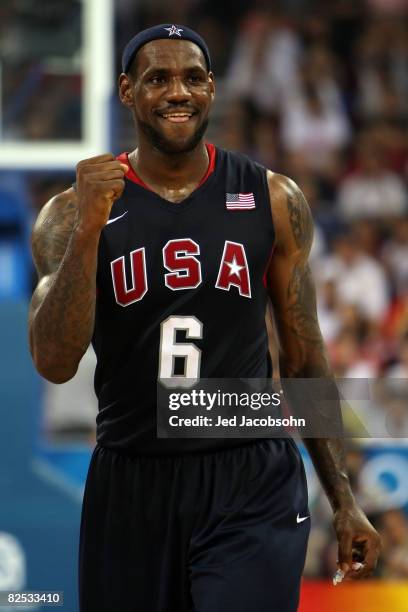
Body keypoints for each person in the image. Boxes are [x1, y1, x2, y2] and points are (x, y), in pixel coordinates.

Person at [28, 24, 381, 612]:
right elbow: (54, 363)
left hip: (248, 473)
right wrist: (90, 230)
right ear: (125, 90)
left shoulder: (271, 198)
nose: (178, 92)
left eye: (193, 78)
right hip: (132, 475)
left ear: (213, 89)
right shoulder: (70, 214)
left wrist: (343, 498)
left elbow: (304, 357)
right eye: (157, 78)